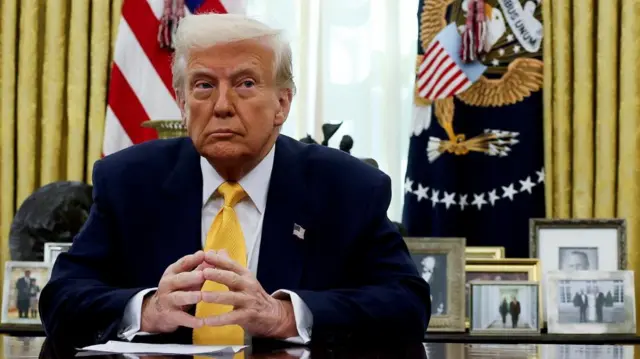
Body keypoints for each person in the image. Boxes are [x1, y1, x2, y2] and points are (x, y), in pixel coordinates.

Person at [38, 13, 431, 347]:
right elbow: (61, 298)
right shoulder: (129, 181)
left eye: (245, 84)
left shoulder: (346, 187)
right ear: (182, 102)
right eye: (204, 85)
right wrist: (148, 309)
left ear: (282, 103)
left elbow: (406, 304)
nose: (222, 106)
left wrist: (284, 315)